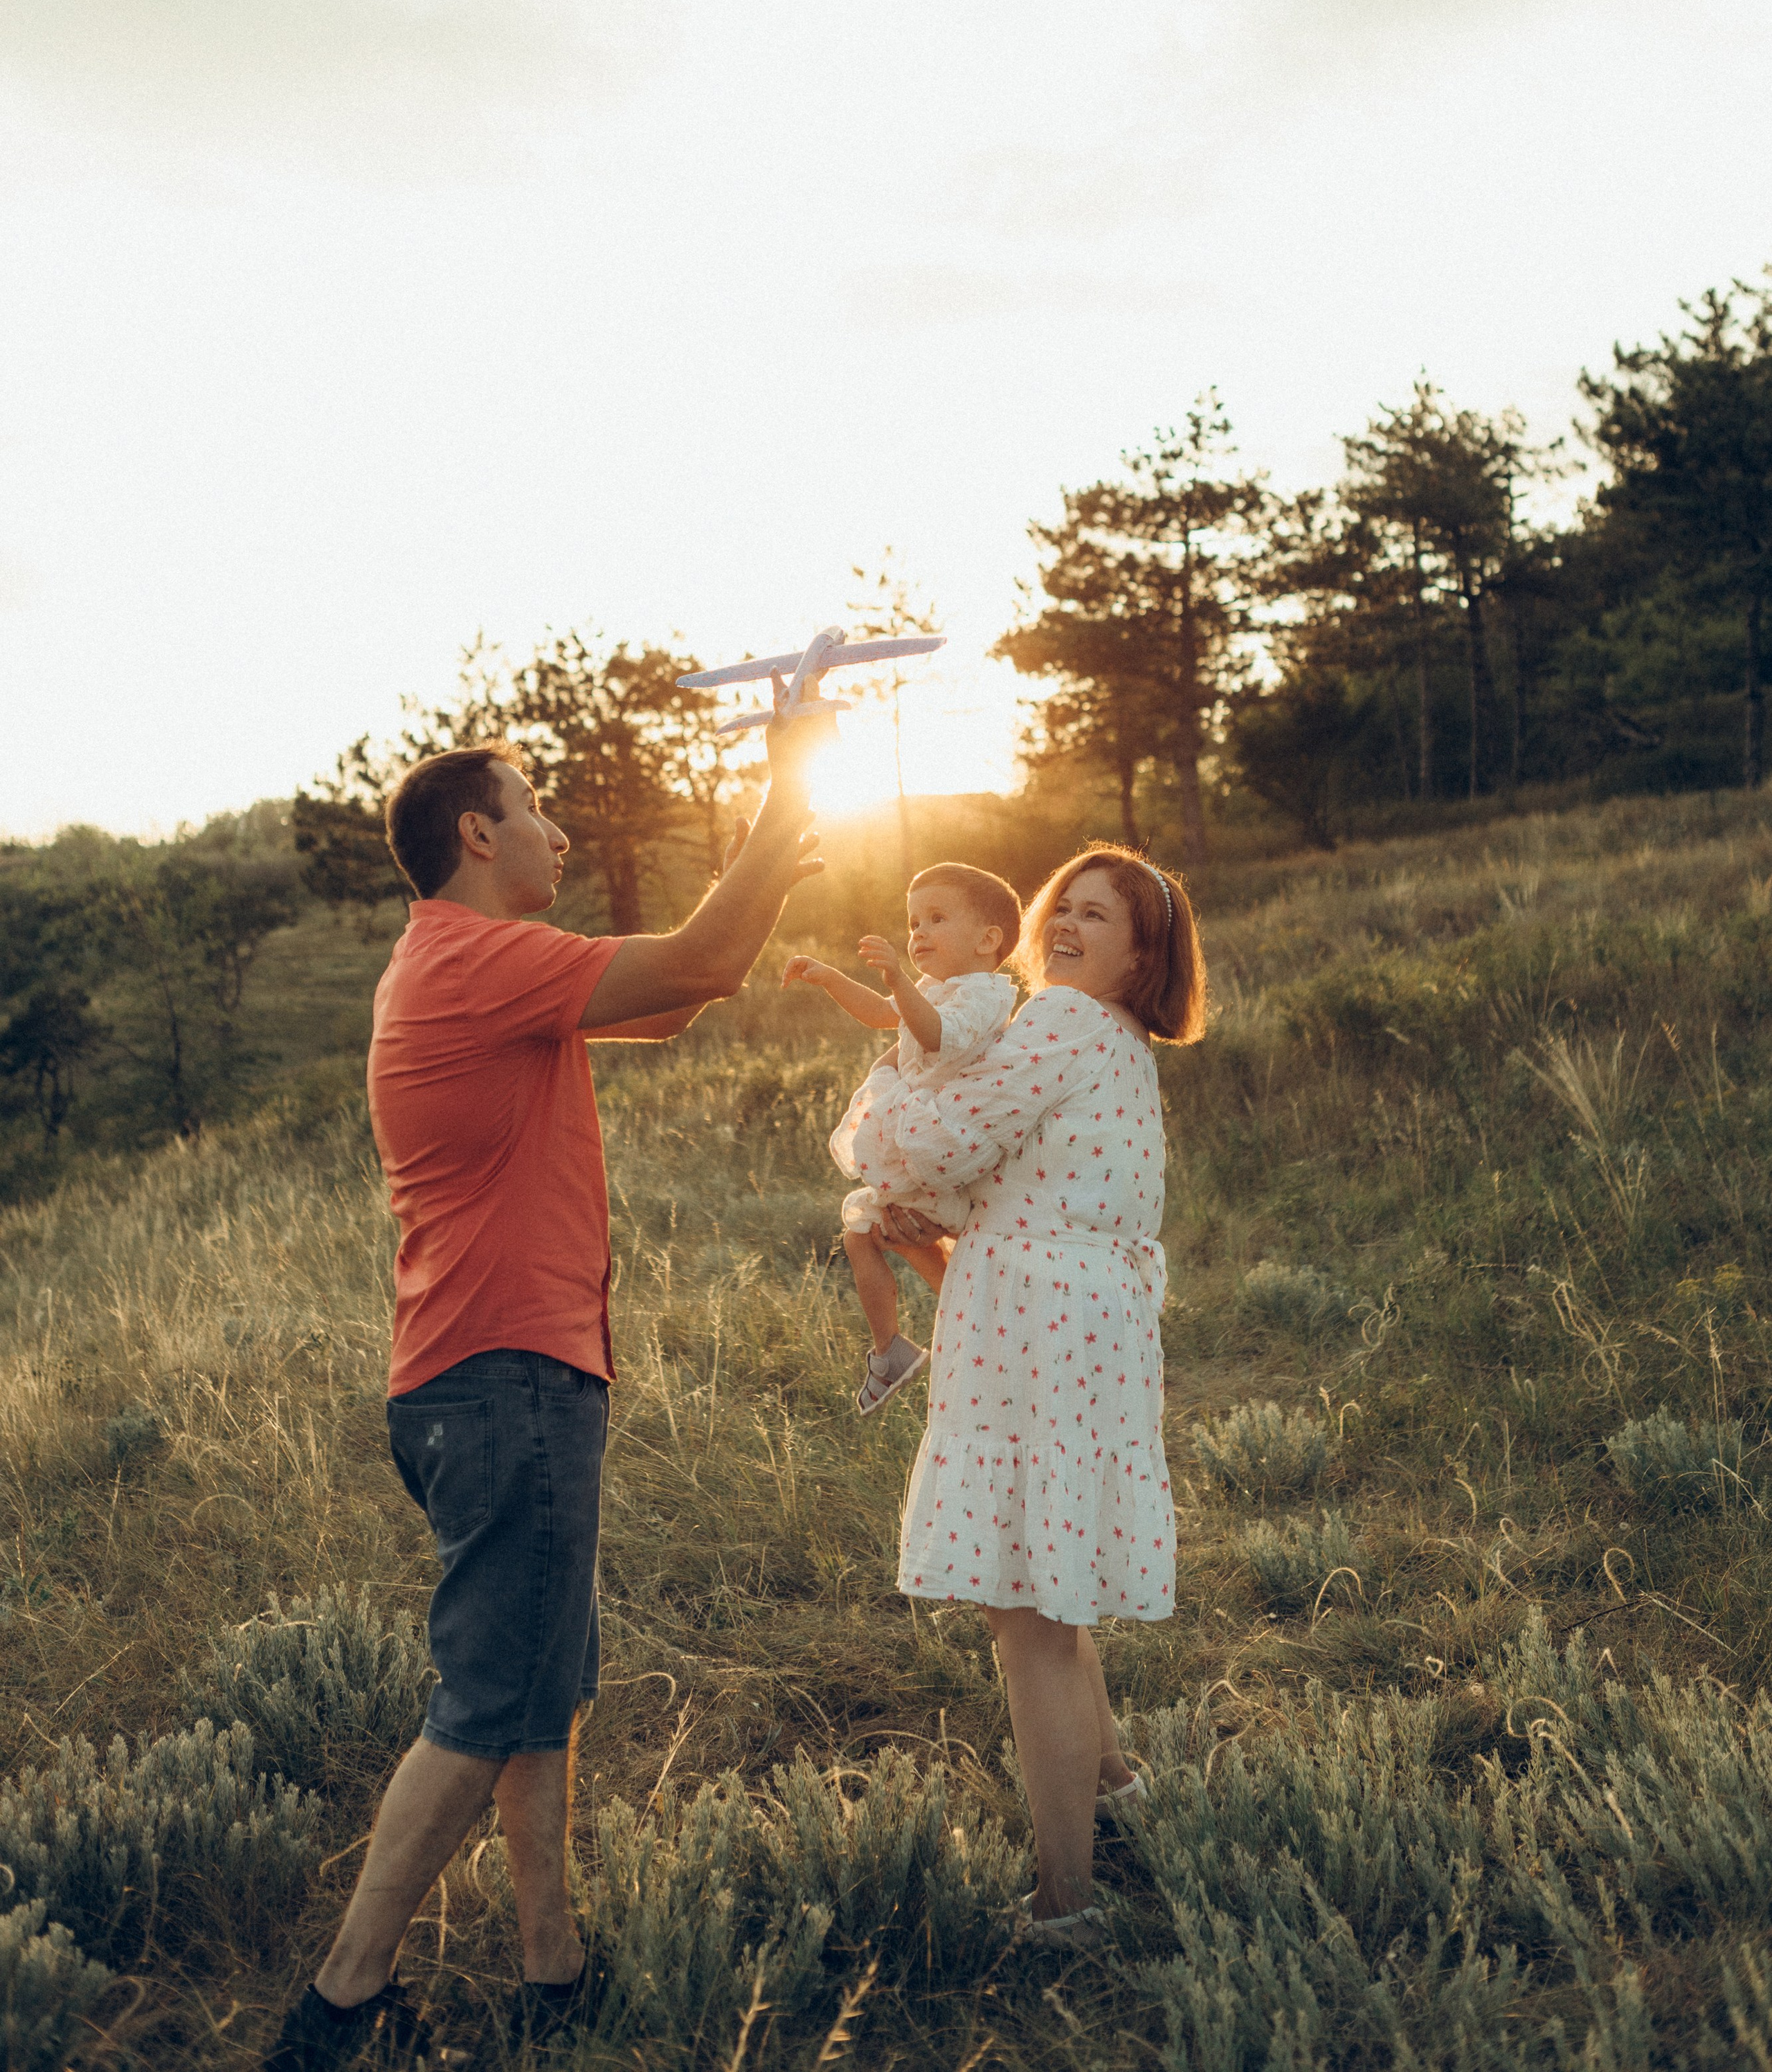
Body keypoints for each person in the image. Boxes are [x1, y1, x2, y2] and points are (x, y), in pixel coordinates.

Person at [266, 702, 826, 2072]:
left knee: (535, 1685)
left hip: (489, 1372)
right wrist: (772, 798)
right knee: (484, 1701)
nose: (561, 831)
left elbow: (688, 994)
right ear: (475, 833)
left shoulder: (471, 964)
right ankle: (337, 2009)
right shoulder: (471, 960)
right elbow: (697, 952)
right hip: (503, 1372)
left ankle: (550, 1966)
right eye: (535, 810)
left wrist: (769, 863)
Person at [846, 843, 1206, 1945]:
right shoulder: (1115, 1042)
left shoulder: (1054, 1024)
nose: (1066, 927)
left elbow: (931, 1138)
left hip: (1037, 1327)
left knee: (1027, 1612)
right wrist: (942, 1219)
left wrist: (878, 1119)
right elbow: (1024, 1181)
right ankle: (1119, 1792)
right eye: (1065, 906)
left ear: (1142, 955)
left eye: (1098, 918)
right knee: (1054, 1570)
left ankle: (1066, 1903)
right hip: (1086, 1318)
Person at [782, 864, 1021, 1412]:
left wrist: (898, 982)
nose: (918, 933)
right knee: (862, 1234)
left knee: (899, 1232)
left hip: (944, 1145)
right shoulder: (935, 986)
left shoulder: (984, 995)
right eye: (914, 921)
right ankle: (893, 1349)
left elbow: (938, 1037)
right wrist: (830, 978)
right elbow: (879, 1016)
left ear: (989, 940)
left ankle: (969, 1328)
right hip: (917, 1141)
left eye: (937, 919)